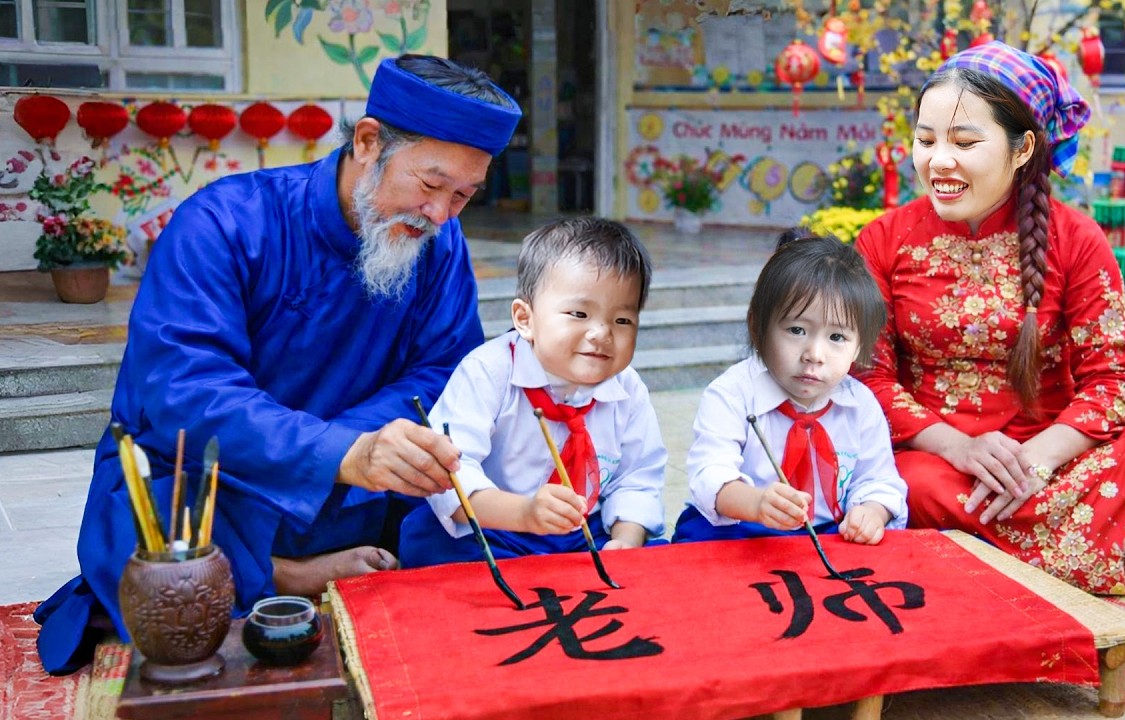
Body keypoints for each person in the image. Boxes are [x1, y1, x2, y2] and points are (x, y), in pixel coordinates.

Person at [36, 55, 522, 673]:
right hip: (223, 472)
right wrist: (336, 454)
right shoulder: (223, 223)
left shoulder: (438, 242)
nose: (442, 215)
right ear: (369, 142)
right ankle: (283, 573)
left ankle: (265, 572)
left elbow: (445, 371)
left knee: (473, 496)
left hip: (356, 482)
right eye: (430, 185)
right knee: (152, 531)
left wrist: (360, 453)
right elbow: (185, 391)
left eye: (464, 195)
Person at [854, 41, 1125, 594]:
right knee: (909, 483)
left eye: (964, 141)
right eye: (925, 141)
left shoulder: (1075, 239)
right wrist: (959, 446)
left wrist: (1037, 460)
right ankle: (1077, 554)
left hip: (1054, 463)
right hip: (940, 464)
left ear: (1023, 149)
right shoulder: (882, 240)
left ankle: (982, 558)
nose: (938, 160)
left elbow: (1115, 380)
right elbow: (868, 378)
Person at [398, 217, 667, 567]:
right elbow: (453, 471)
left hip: (583, 530)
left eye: (623, 321)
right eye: (579, 313)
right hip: (499, 525)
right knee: (433, 542)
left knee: (656, 555)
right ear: (525, 319)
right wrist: (525, 513)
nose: (602, 333)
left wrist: (625, 540)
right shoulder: (488, 371)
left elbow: (638, 477)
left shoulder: (628, 389)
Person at [674, 232, 907, 545]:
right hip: (739, 529)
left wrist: (871, 512)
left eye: (836, 338)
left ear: (858, 347)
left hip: (823, 533)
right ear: (758, 328)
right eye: (797, 330)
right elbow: (710, 473)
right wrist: (756, 504)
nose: (814, 354)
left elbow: (878, 478)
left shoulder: (860, 405)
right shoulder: (732, 393)